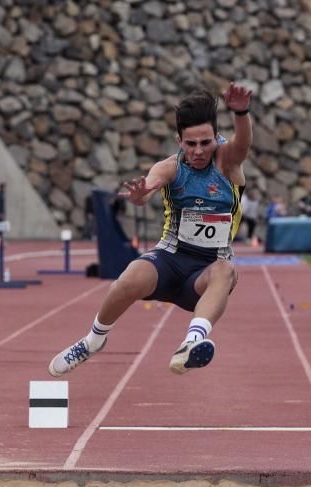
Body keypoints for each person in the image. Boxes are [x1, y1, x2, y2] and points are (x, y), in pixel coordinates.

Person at [48, 82, 252, 377]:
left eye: (205, 143)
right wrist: (139, 195)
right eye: (190, 144)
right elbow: (147, 189)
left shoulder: (227, 162)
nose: (198, 151)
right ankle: (93, 341)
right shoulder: (170, 167)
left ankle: (191, 345)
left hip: (204, 274)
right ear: (178, 140)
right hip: (170, 259)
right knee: (128, 278)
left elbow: (243, 144)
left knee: (226, 270)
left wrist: (241, 113)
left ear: (216, 139)